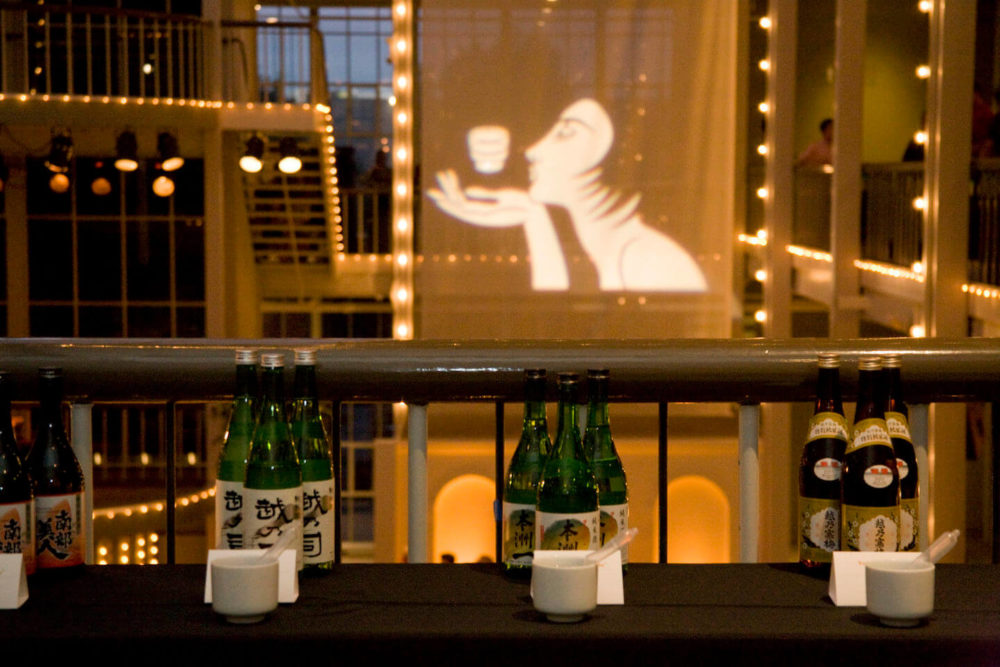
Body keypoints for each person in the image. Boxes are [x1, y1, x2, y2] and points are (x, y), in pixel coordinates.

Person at [427, 98, 708, 293]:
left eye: (565, 133)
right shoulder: (611, 248)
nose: (534, 150)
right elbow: (552, 309)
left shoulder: (645, 256)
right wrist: (533, 216)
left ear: (605, 155)